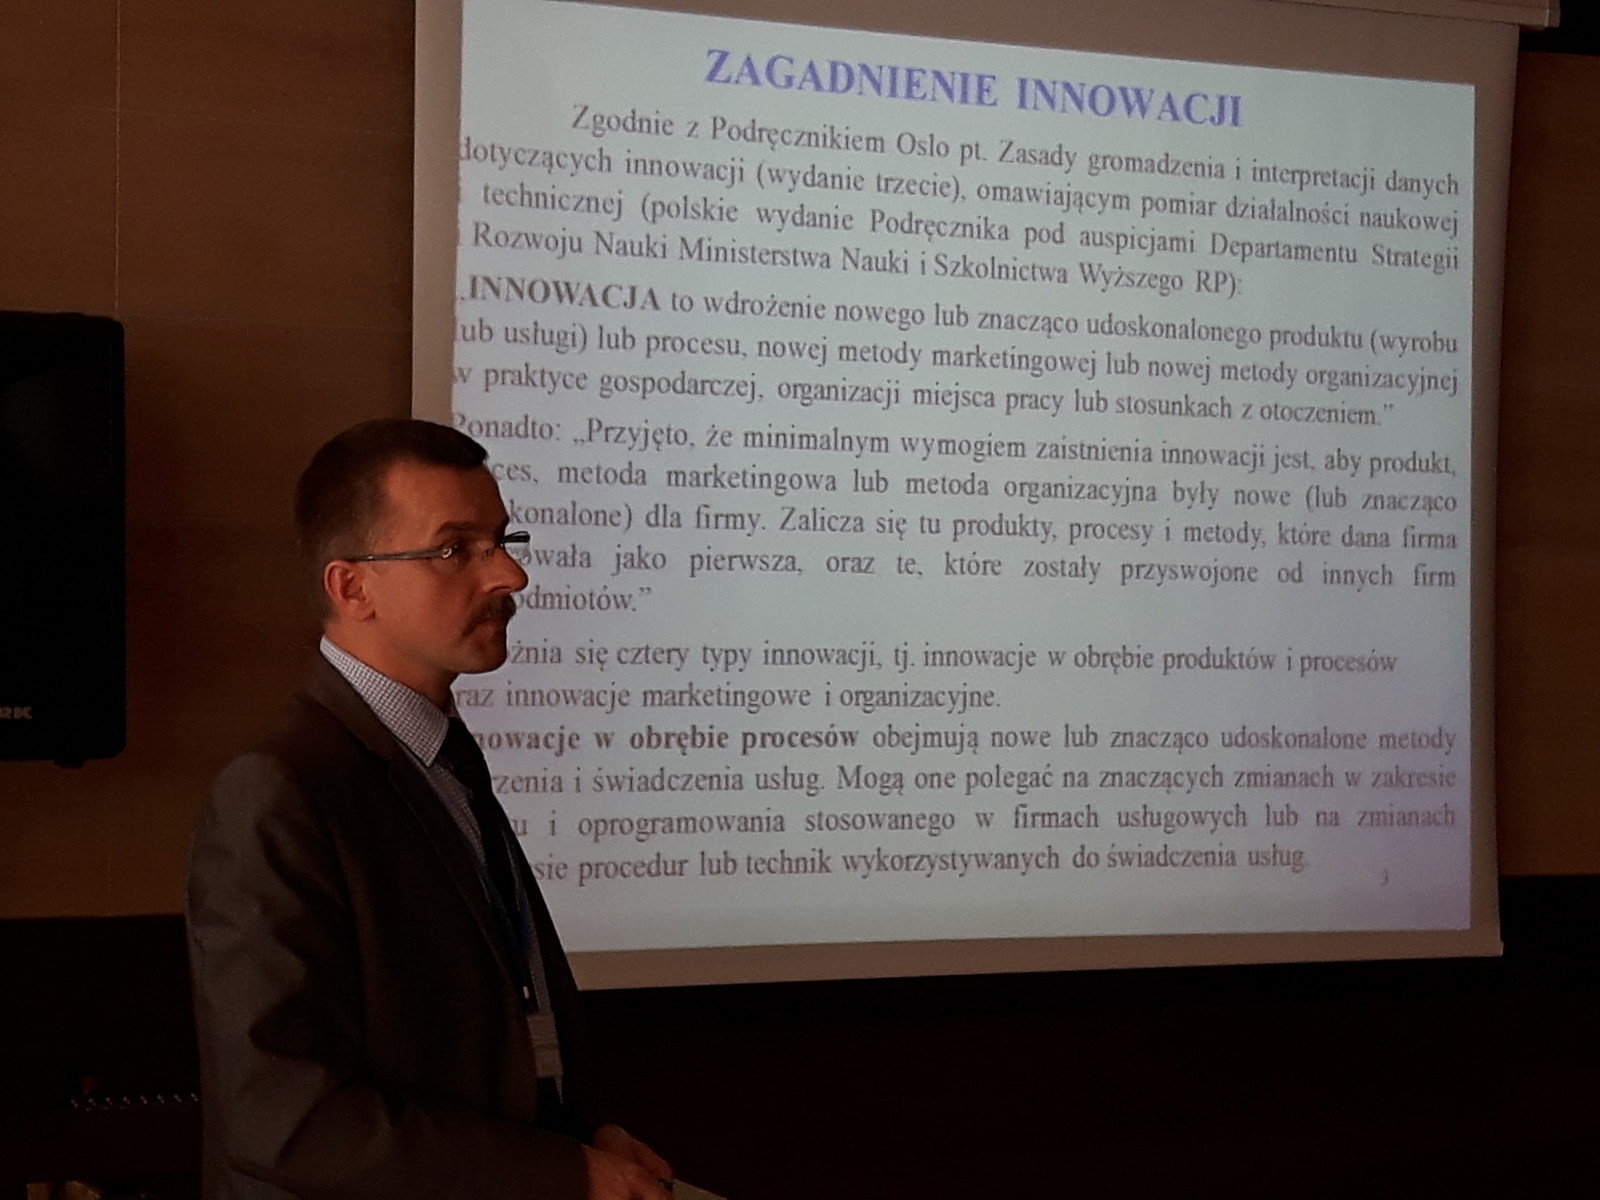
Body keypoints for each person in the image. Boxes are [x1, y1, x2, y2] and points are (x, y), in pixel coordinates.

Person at [186, 418, 672, 1199]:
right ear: (353, 588)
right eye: (455, 550)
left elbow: (486, 1025)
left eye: (502, 540)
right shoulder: (280, 790)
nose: (510, 575)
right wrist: (557, 1172)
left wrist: (582, 1130)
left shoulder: (443, 756)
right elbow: (281, 1118)